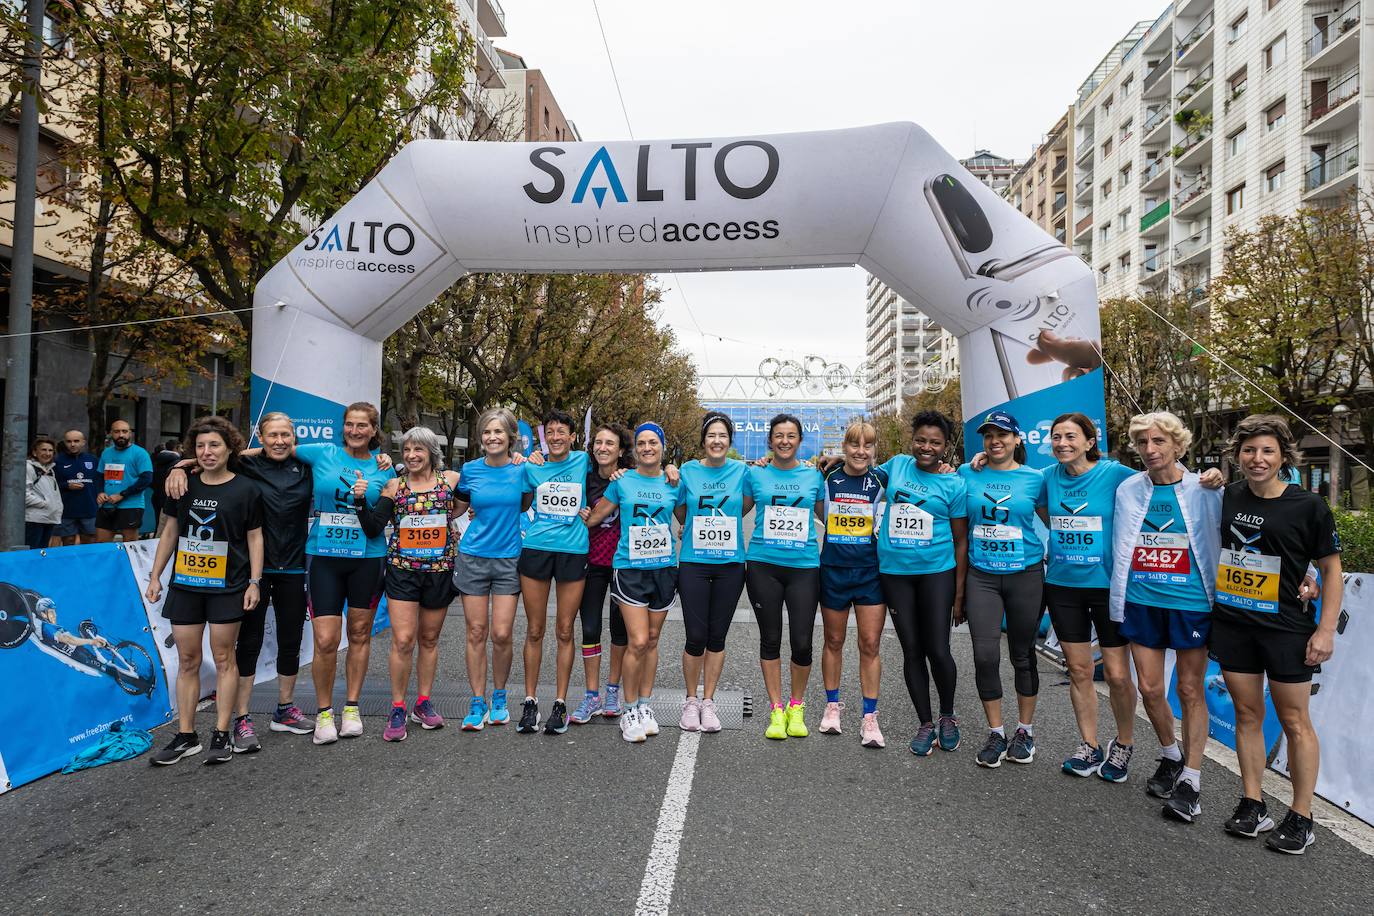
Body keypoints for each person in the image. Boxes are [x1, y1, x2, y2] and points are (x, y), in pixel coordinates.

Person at [1212, 415, 1343, 854]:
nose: (1257, 459)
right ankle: (1253, 803)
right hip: (1234, 624)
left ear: (1285, 456)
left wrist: (1325, 629)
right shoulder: (1226, 496)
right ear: (1238, 456)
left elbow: (1330, 569)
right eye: (1249, 450)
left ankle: (1301, 816)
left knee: (1293, 720)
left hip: (1286, 627)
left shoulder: (1308, 505)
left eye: (1268, 451)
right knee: (1247, 714)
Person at [231, 403, 393, 744]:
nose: (355, 430)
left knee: (360, 633)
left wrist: (387, 461)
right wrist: (189, 462)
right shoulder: (322, 452)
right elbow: (273, 447)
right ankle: (323, 713)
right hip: (324, 557)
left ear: (373, 429)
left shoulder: (384, 469)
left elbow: (381, 518)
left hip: (368, 557)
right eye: (349, 424)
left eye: (362, 425)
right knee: (325, 640)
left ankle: (351, 708)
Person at [171, 413, 315, 750]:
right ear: (259, 438)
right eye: (272, 435)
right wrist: (179, 466)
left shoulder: (306, 467)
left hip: (293, 566)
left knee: (291, 638)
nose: (279, 441)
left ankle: (285, 709)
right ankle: (242, 718)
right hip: (254, 571)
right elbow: (211, 456)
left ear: (294, 438)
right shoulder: (247, 466)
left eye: (285, 435)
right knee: (248, 642)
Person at [1110, 411, 1221, 823]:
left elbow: (1250, 529)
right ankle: (1170, 755)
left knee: (1191, 691)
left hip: (1191, 602)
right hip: (1142, 600)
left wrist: (1309, 574)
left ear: (1178, 445)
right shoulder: (1127, 489)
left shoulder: (1204, 488)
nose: (1150, 450)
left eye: (1159, 442)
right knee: (1152, 690)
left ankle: (1191, 781)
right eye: (1143, 443)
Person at [144, 416, 264, 766]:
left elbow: (256, 537)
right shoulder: (182, 485)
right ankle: (186, 735)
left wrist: (254, 581)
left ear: (229, 449)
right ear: (192, 452)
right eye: (200, 446)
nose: (208, 452)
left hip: (229, 586)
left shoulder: (246, 488)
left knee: (225, 659)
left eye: (214, 445)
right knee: (187, 660)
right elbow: (170, 531)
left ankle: (222, 733)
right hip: (186, 585)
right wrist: (155, 576)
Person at [356, 427, 461, 742]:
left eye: (419, 450)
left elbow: (476, 498)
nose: (413, 456)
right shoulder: (394, 485)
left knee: (429, 639)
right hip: (403, 570)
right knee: (403, 640)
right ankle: (398, 705)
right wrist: (361, 502)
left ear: (432, 452)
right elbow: (375, 527)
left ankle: (423, 703)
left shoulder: (452, 480)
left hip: (440, 570)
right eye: (407, 450)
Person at [876, 411, 968, 757]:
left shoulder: (953, 483)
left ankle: (948, 716)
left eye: (935, 443)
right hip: (895, 572)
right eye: (921, 440)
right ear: (912, 439)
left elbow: (961, 541)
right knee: (911, 650)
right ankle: (925, 723)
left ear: (945, 447)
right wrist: (832, 459)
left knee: (938, 649)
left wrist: (959, 593)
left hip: (936, 573)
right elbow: (862, 471)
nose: (926, 447)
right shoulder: (897, 465)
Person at [958, 410, 1046, 768]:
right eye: (989, 436)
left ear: (1017, 440)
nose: (995, 441)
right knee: (985, 655)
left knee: (1022, 654)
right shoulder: (967, 473)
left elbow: (1056, 517)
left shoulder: (1036, 479)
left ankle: (1025, 731)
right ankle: (996, 732)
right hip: (982, 578)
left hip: (1025, 574)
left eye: (1003, 435)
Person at [585, 422, 682, 743]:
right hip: (629, 569)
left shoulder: (675, 483)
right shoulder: (622, 482)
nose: (647, 448)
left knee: (652, 639)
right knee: (637, 640)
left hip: (664, 569)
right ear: (634, 449)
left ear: (663, 447)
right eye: (641, 443)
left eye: (653, 442)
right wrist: (577, 512)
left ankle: (645, 705)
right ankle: (629, 710)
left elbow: (689, 514)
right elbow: (595, 517)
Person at [745, 414, 824, 741]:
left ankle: (797, 705)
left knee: (802, 642)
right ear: (770, 440)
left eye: (791, 436)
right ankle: (776, 709)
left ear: (800, 441)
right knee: (770, 639)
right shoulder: (756, 473)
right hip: (763, 564)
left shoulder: (814, 476)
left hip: (804, 566)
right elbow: (734, 511)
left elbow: (831, 515)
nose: (785, 441)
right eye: (779, 435)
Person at [673, 411, 750, 733]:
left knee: (717, 638)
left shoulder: (743, 471)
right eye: (711, 436)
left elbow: (745, 505)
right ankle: (691, 701)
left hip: (731, 565)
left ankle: (709, 701)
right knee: (695, 637)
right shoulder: (688, 471)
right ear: (703, 441)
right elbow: (680, 508)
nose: (717, 441)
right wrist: (690, 526)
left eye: (723, 436)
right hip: (693, 563)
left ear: (729, 441)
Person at [517, 410, 591, 735]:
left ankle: (559, 703)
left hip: (573, 550)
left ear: (573, 436)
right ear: (544, 436)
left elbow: (619, 466)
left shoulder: (584, 462)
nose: (557, 437)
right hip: (536, 548)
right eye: (551, 432)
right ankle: (530, 701)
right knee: (534, 630)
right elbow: (519, 503)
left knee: (564, 630)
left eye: (562, 431)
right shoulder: (532, 466)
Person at [455, 408, 527, 732]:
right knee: (475, 632)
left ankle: (499, 697)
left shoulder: (522, 470)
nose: (492, 437)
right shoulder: (469, 470)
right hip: (472, 557)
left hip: (510, 558)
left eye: (498, 432)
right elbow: (455, 506)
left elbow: (526, 505)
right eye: (487, 432)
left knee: (501, 633)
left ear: (511, 437)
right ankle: (477, 700)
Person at [816, 420, 888, 748]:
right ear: (843, 447)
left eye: (868, 446)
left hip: (870, 572)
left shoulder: (882, 478)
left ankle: (869, 717)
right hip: (833, 569)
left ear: (875, 450)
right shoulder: (826, 476)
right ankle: (832, 707)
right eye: (854, 445)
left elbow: (919, 467)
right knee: (833, 640)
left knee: (870, 644)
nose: (861, 451)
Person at [572, 423, 633, 723]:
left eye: (610, 443)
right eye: (598, 442)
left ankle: (613, 690)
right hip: (592, 563)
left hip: (624, 565)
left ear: (621, 450)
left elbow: (662, 477)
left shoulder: (630, 478)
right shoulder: (582, 480)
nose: (603, 448)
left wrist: (672, 468)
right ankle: (591, 695)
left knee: (620, 632)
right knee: (591, 629)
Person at [96, 420, 153, 542]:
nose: (121, 435)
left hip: (131, 505)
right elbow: (99, 476)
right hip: (107, 505)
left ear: (130, 433)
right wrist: (100, 492)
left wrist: (122, 495)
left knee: (130, 547)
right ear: (111, 433)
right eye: (116, 431)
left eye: (124, 431)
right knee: (102, 546)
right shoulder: (106, 453)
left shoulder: (140, 453)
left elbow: (146, 480)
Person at [53, 429, 99, 546]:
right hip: (66, 510)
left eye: (76, 441)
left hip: (89, 509)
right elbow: (51, 484)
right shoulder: (57, 461)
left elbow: (99, 481)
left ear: (83, 442)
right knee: (68, 542)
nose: (72, 444)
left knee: (89, 541)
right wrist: (67, 486)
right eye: (69, 441)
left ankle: (86, 564)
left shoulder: (92, 460)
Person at [24, 437, 63, 550]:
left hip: (48, 519)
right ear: (35, 452)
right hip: (34, 520)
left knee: (41, 553)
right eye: (43, 450)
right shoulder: (29, 468)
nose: (47, 453)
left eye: (50, 450)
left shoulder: (50, 470)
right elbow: (24, 495)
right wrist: (45, 504)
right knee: (32, 553)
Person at [151, 439, 183, 520]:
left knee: (158, 526)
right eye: (181, 448)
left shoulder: (156, 460)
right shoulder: (177, 463)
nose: (182, 450)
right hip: (169, 500)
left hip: (156, 497)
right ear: (176, 448)